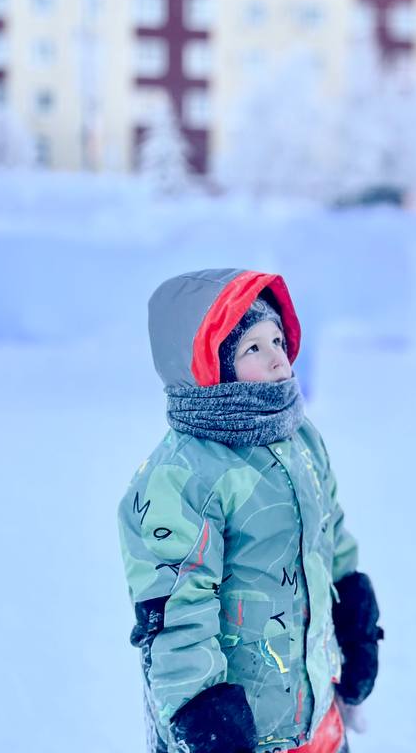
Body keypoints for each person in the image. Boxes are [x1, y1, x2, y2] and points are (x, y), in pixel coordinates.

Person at [118, 268, 382, 753]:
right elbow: (177, 612)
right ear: (210, 364)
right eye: (253, 348)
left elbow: (332, 539)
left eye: (277, 339)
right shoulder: (183, 475)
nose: (278, 357)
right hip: (238, 734)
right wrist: (208, 721)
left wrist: (355, 632)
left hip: (316, 711)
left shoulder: (301, 438)